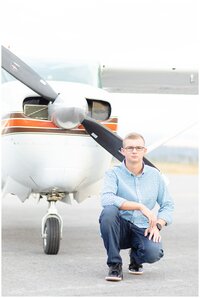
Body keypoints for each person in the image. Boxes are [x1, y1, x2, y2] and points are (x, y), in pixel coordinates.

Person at [99, 132, 174, 281]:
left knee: (153, 253)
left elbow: (168, 205)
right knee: (108, 212)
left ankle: (136, 258)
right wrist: (139, 206)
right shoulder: (113, 173)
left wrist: (157, 225)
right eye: (130, 147)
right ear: (122, 151)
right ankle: (114, 265)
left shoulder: (155, 175)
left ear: (144, 151)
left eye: (138, 148)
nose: (134, 151)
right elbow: (107, 198)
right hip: (120, 227)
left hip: (143, 227)